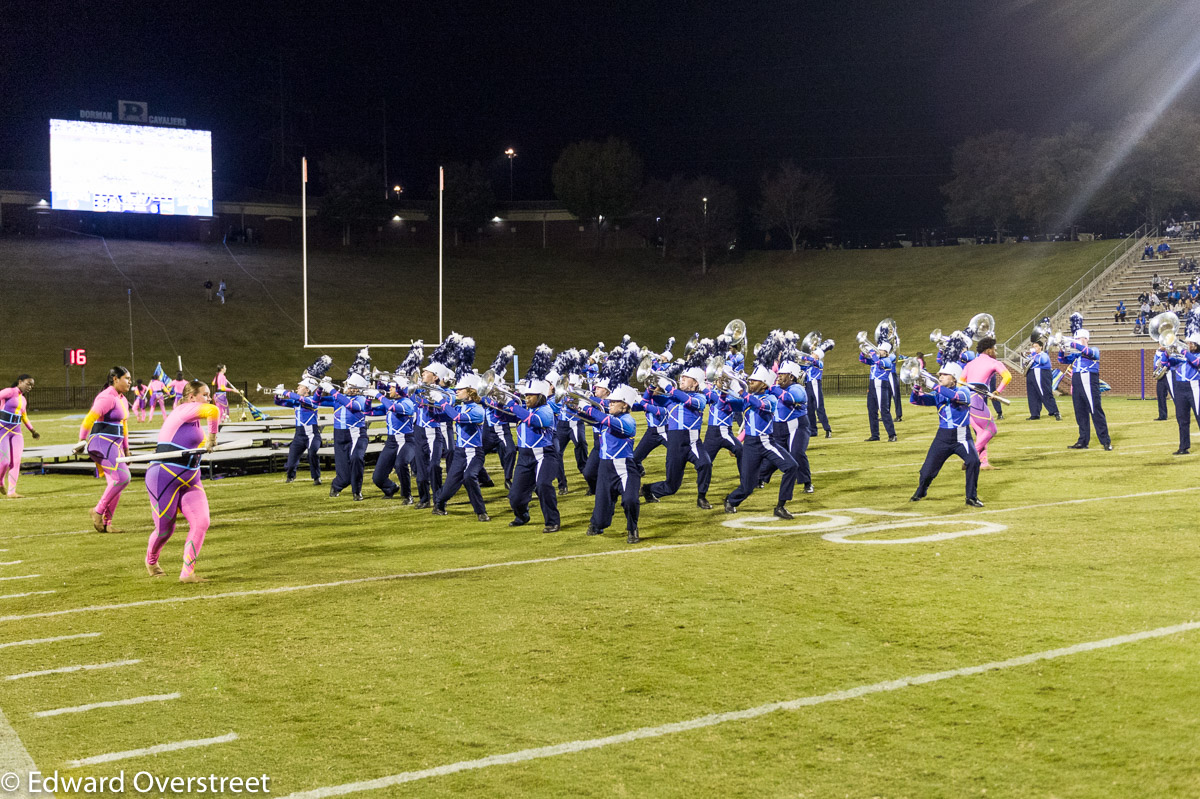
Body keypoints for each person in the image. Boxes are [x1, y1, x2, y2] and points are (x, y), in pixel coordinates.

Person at [143, 379, 220, 582]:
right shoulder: (184, 410)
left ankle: (187, 573)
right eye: (204, 394)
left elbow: (193, 443)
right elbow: (213, 411)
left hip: (190, 477)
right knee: (165, 530)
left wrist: (206, 443)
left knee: (202, 522)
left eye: (209, 394)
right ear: (191, 397)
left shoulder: (192, 419)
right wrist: (213, 437)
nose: (208, 398)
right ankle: (151, 561)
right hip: (163, 475)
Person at [722, 363, 799, 519]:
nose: (750, 382)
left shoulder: (770, 398)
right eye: (750, 380)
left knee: (791, 466)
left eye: (754, 380)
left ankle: (781, 506)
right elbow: (724, 405)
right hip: (750, 444)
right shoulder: (747, 398)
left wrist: (741, 391)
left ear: (764, 384)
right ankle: (731, 500)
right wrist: (723, 391)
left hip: (767, 442)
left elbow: (759, 404)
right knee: (748, 486)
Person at [500, 351, 561, 532]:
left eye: (530, 396)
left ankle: (552, 521)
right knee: (515, 497)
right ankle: (522, 515)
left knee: (543, 485)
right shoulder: (525, 409)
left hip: (545, 455)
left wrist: (511, 404)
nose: (526, 398)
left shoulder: (546, 411)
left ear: (540, 396)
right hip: (525, 457)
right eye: (525, 396)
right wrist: (492, 402)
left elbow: (532, 420)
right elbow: (506, 416)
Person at [908, 362, 983, 507]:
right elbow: (915, 400)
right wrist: (917, 386)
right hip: (942, 437)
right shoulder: (938, 394)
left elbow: (955, 397)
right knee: (926, 471)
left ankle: (971, 497)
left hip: (962, 436)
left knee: (973, 462)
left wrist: (934, 385)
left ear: (954, 378)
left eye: (944, 374)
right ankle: (921, 490)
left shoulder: (964, 391)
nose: (940, 376)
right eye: (940, 374)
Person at [578, 384, 643, 542]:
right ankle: (597, 524)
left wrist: (587, 408)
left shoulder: (628, 421)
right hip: (605, 468)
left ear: (625, 405)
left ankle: (632, 528)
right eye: (610, 401)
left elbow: (607, 421)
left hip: (625, 468)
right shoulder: (608, 418)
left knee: (630, 500)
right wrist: (575, 407)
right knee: (600, 513)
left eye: (614, 402)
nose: (610, 404)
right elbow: (591, 419)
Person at [642, 366, 712, 509]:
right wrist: (652, 385)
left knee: (705, 464)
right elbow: (646, 400)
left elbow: (690, 402)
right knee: (672, 486)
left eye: (686, 378)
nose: (682, 380)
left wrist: (668, 387)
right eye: (681, 377)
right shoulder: (670, 399)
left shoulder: (700, 397)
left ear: (696, 383)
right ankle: (648, 489)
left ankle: (702, 497)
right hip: (675, 442)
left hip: (693, 441)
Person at [79, 367, 133, 532]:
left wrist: (126, 449)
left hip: (114, 445)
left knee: (115, 482)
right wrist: (81, 440)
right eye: (127, 378)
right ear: (116, 379)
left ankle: (107, 524)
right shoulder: (107, 397)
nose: (130, 381)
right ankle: (97, 511)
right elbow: (90, 418)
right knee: (123, 477)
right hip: (102, 443)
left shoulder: (122, 398)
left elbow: (123, 424)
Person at [431, 374, 490, 521]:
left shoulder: (478, 410)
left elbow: (457, 418)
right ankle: (439, 504)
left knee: (469, 477)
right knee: (450, 485)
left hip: (475, 453)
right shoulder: (459, 407)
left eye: (460, 389)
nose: (456, 391)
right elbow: (440, 416)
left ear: (470, 391)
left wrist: (442, 401)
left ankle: (481, 512)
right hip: (460, 453)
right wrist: (428, 402)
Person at [758, 358, 813, 493]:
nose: (779, 376)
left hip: (798, 426)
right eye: (779, 373)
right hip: (778, 427)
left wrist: (770, 387)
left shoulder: (798, 388)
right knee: (774, 455)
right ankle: (760, 478)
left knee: (796, 453)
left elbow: (790, 398)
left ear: (791, 376)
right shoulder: (776, 388)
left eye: (783, 374)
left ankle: (806, 482)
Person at [960, 337, 1011, 470]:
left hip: (966, 399)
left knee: (982, 432)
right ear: (989, 351)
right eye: (995, 349)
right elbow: (1008, 376)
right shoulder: (993, 362)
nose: (996, 352)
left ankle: (984, 463)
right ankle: (970, 456)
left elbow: (960, 383)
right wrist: (997, 392)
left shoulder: (970, 364)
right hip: (977, 398)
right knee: (991, 429)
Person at [1058, 329, 1113, 450]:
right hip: (1077, 380)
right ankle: (1083, 441)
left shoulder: (1094, 350)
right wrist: (1061, 349)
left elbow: (1089, 352)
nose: (1078, 341)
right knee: (1080, 412)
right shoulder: (1076, 355)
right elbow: (1061, 360)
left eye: (1080, 339)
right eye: (1077, 339)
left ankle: (1105, 441)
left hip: (1089, 379)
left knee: (1095, 410)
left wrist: (1072, 343)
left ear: (1086, 339)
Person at [370, 381, 417, 501]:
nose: (389, 389)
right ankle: (390, 488)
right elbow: (368, 411)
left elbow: (392, 408)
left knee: (401, 464)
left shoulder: (408, 403)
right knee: (378, 477)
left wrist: (378, 395)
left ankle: (407, 495)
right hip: (391, 442)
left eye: (392, 388)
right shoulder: (392, 402)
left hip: (406, 440)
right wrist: (368, 399)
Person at [274, 380, 324, 485]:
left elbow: (301, 399)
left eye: (300, 387)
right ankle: (290, 476)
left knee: (312, 454)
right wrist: (277, 395)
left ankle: (316, 477)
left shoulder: (313, 401)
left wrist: (285, 392)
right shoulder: (296, 402)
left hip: (312, 435)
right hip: (299, 435)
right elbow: (278, 402)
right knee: (291, 460)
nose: (297, 389)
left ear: (307, 389)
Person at [0, 375, 40, 498]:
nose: (30, 387)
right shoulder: (9, 391)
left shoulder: (23, 399)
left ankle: (12, 492)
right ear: (20, 382)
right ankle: (0, 481)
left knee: (16, 462)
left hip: (16, 432)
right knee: (5, 462)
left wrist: (32, 431)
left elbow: (24, 417)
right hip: (3, 430)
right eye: (28, 384)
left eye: (32, 385)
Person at [1167, 334, 1200, 454]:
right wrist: (1166, 352)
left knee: (1199, 416)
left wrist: (1183, 351)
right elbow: (1166, 364)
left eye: (1189, 343)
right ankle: (1184, 447)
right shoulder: (1180, 355)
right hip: (1180, 388)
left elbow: (1197, 362)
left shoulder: (1195, 355)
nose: (1187, 345)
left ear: (1195, 345)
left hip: (1194, 387)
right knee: (1182, 419)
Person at [860, 341, 897, 442]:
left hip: (882, 386)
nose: (879, 351)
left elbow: (878, 363)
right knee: (872, 410)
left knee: (884, 410)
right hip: (872, 386)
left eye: (881, 350)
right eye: (878, 350)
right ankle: (875, 435)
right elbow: (861, 359)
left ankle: (892, 434)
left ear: (886, 352)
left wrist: (872, 351)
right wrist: (863, 352)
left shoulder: (888, 360)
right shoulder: (874, 360)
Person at [1024, 341, 1060, 421]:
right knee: (1032, 395)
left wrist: (1033, 354)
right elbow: (1025, 363)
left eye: (1036, 346)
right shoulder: (1031, 355)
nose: (1034, 348)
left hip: (1042, 373)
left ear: (1041, 347)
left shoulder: (1044, 355)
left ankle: (1055, 411)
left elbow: (1042, 361)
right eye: (1033, 346)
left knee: (1045, 393)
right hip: (1031, 373)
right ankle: (1035, 414)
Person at [804, 345, 833, 438]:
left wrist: (800, 356)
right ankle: (813, 430)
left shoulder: (819, 363)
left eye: (813, 353)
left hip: (816, 385)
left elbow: (812, 360)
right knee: (809, 409)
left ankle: (827, 429)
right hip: (808, 385)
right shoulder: (809, 365)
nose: (812, 354)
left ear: (818, 356)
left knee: (819, 408)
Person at [1154, 347, 1173, 421]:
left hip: (1169, 375)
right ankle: (1162, 415)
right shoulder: (1157, 353)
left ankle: (1181, 413)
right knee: (1160, 396)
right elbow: (1156, 364)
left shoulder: (1170, 352)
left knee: (1175, 396)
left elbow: (1172, 363)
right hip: (1161, 377)